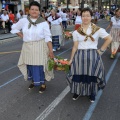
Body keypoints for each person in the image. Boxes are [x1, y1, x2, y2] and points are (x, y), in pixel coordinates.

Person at [67, 8, 112, 102]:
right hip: (79, 56)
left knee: (92, 75)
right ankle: (78, 91)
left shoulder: (97, 29)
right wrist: (71, 59)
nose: (85, 18)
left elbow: (109, 39)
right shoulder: (76, 32)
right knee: (78, 75)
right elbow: (75, 46)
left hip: (93, 56)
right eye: (83, 16)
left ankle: (92, 93)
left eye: (87, 15)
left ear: (91, 17)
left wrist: (101, 50)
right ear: (81, 17)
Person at [11, 1, 54, 93]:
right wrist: (22, 36)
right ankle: (34, 81)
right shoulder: (24, 20)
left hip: (40, 46)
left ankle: (43, 83)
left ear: (39, 11)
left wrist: (51, 51)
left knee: (40, 66)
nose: (34, 11)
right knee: (30, 65)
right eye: (32, 9)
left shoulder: (43, 23)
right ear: (29, 10)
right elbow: (14, 28)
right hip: (27, 47)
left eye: (36, 10)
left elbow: (48, 37)